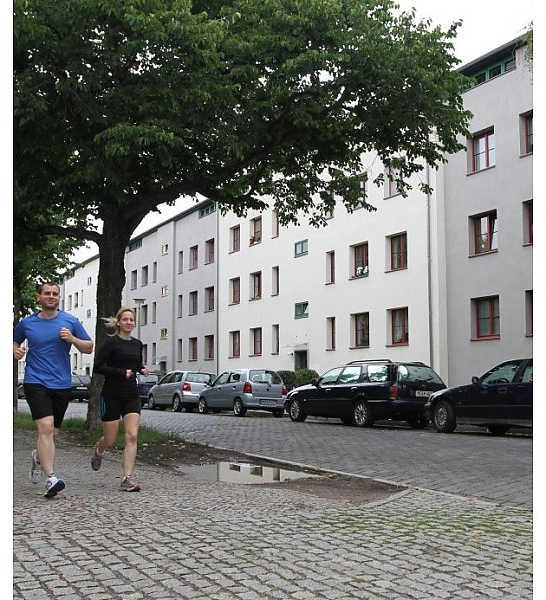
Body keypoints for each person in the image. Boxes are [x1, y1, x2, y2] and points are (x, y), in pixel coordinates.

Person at [13, 281, 94, 498]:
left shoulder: (70, 321)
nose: (51, 296)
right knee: (46, 428)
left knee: (53, 434)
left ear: (59, 297)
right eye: (47, 293)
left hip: (61, 383)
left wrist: (72, 338)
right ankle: (51, 478)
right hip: (35, 381)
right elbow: (13, 340)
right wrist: (15, 351)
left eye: (55, 294)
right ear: (39, 297)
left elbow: (89, 346)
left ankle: (38, 456)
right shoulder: (27, 323)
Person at [91, 307, 149, 492]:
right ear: (118, 322)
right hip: (111, 394)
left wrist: (141, 369)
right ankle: (99, 450)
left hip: (131, 394)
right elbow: (98, 367)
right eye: (125, 319)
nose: (129, 322)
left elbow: (136, 363)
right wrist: (120, 372)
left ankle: (126, 478)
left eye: (132, 319)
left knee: (132, 435)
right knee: (110, 438)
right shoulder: (110, 343)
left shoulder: (137, 344)